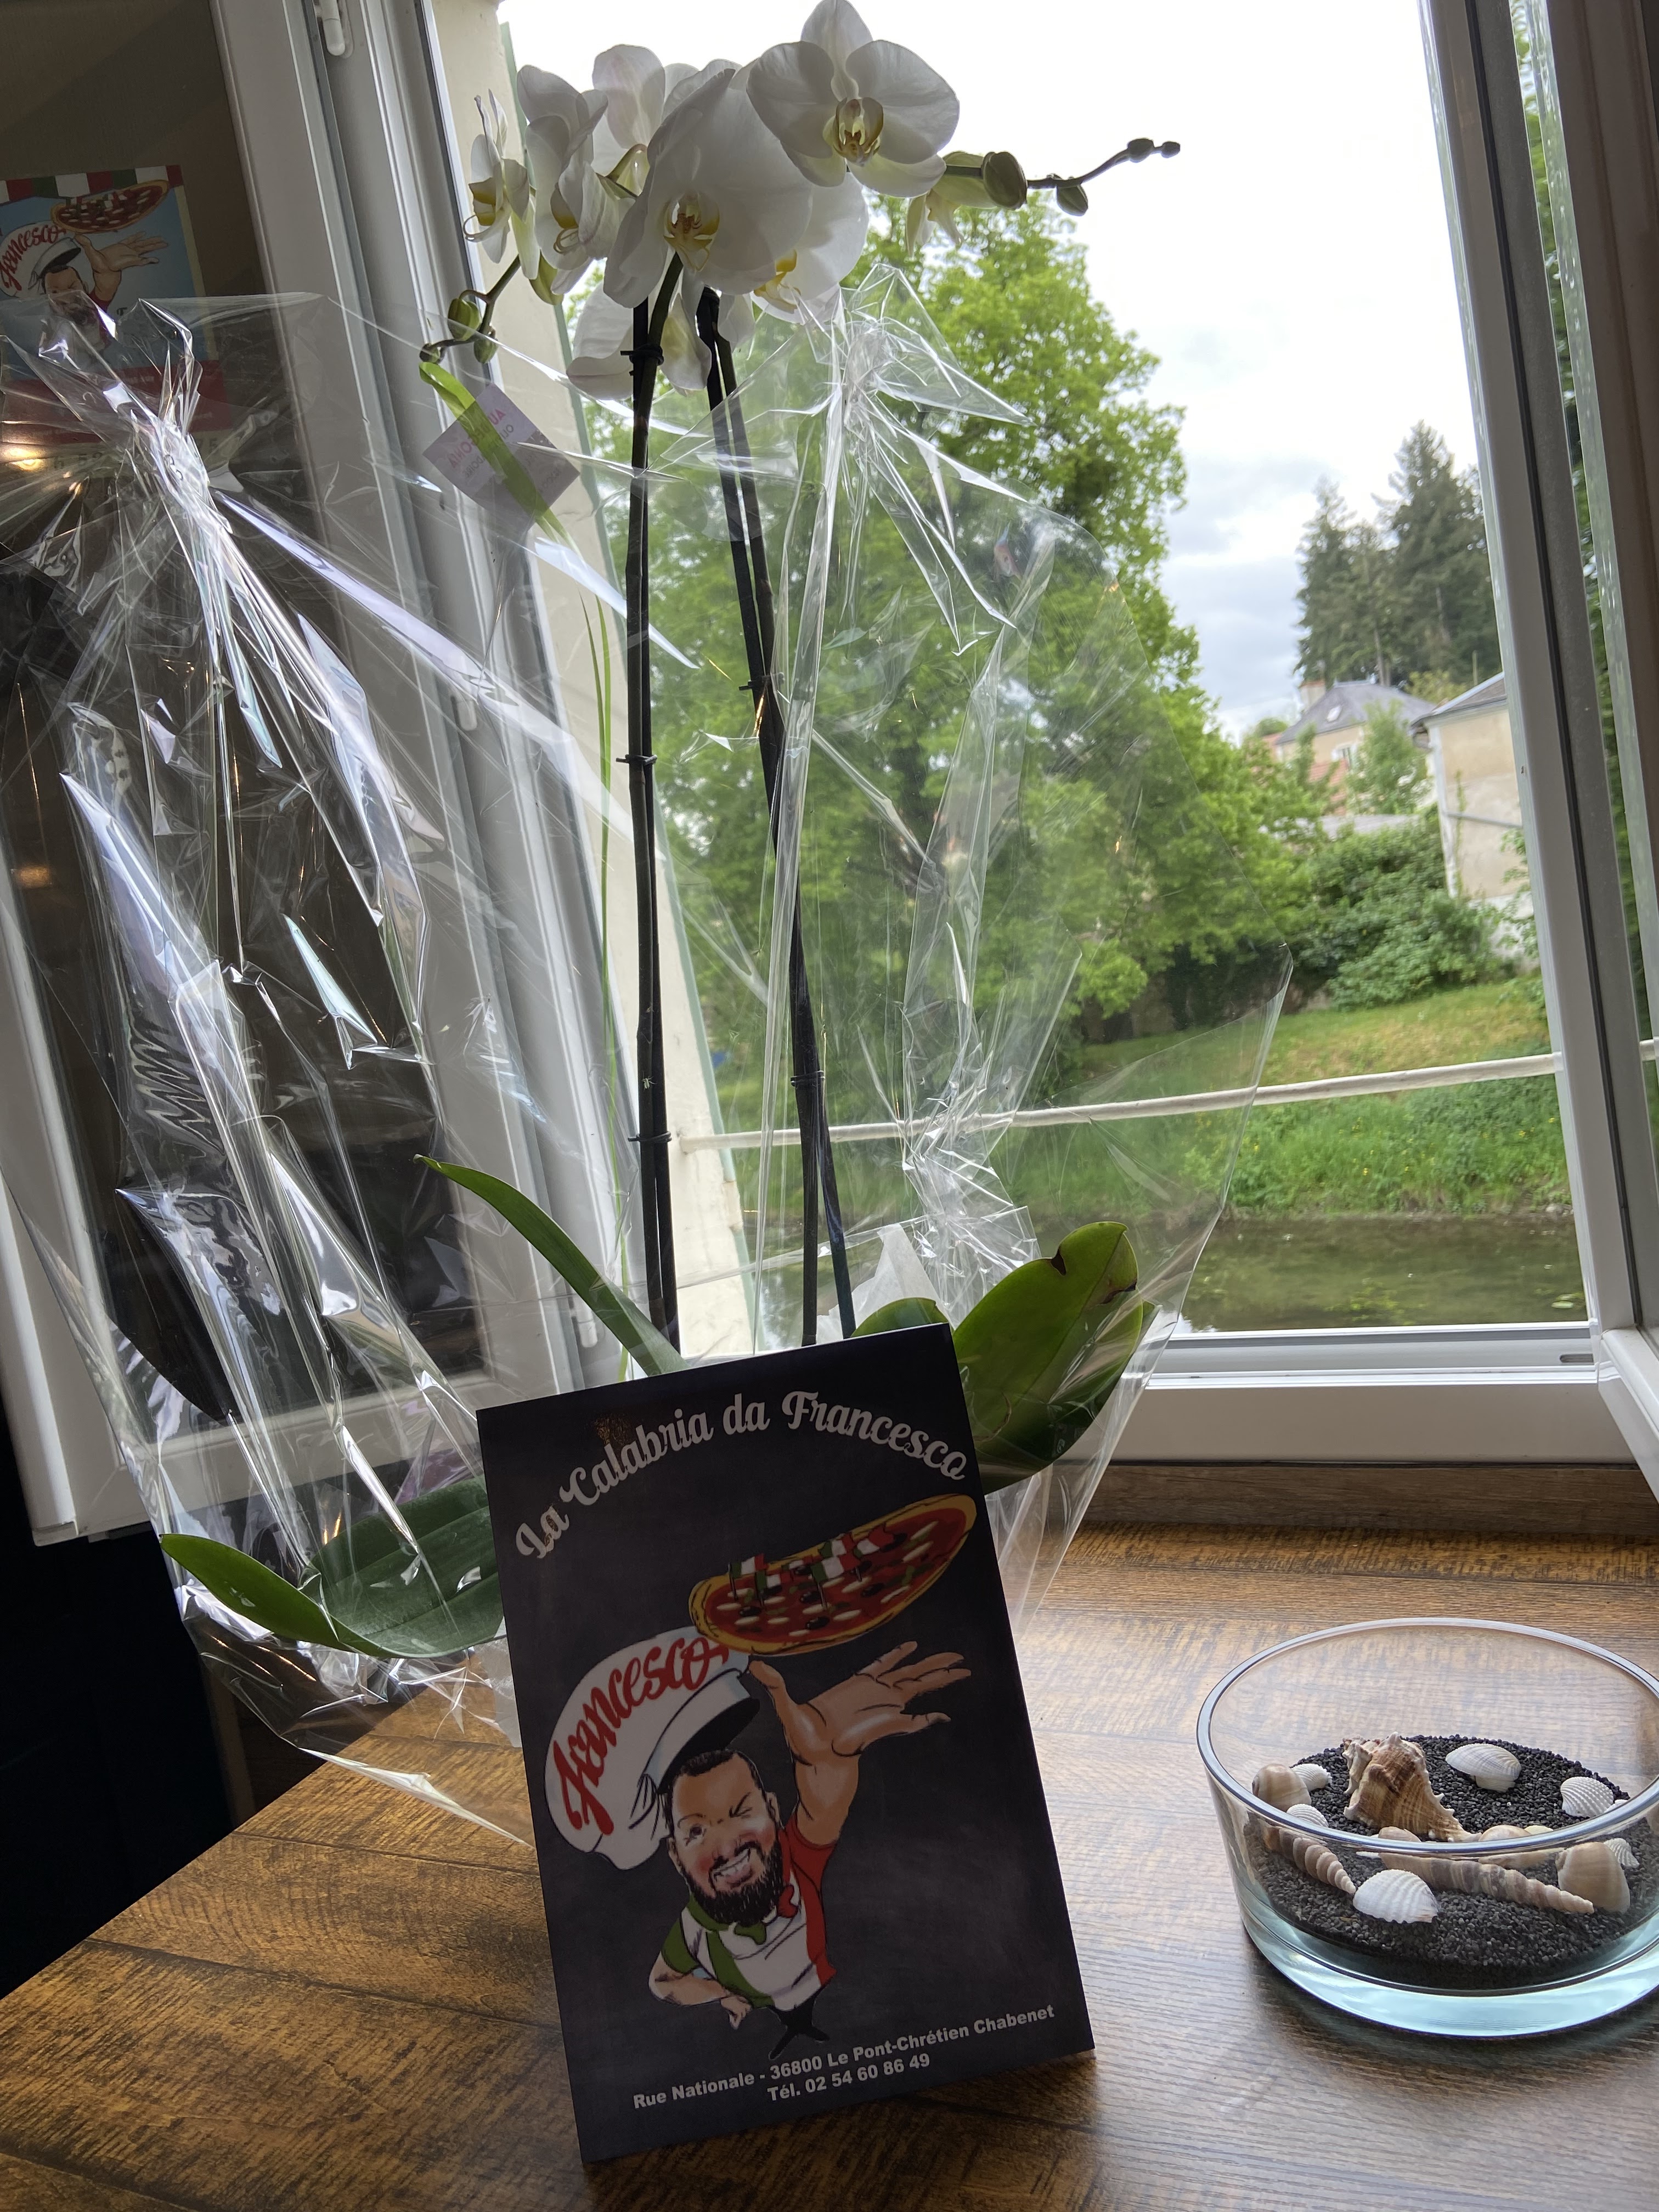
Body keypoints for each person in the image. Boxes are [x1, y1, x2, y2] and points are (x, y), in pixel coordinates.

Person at [648, 1640, 969, 2058]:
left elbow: (821, 1812)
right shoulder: (693, 1930)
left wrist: (827, 1767)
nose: (726, 1845)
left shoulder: (793, 1859)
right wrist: (718, 1992)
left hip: (841, 2000)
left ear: (773, 1811)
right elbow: (662, 1982)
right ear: (676, 1857)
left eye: (742, 1812)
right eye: (696, 1832)